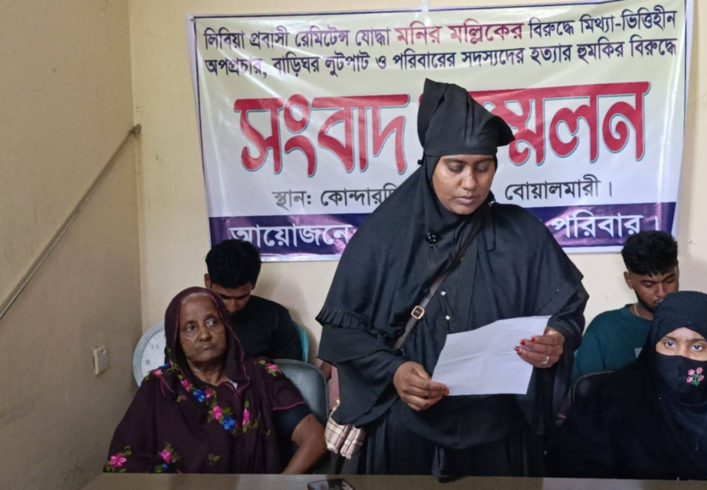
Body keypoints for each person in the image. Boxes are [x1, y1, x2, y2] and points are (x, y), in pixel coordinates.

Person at [317, 79, 587, 476]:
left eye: (483, 167)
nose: (470, 183)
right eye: (455, 167)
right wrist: (395, 371)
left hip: (499, 433)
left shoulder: (522, 235)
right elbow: (343, 332)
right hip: (405, 432)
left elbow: (566, 309)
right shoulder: (385, 236)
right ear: (430, 164)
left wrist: (557, 338)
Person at [548, 291, 707, 489]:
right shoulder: (614, 396)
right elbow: (572, 472)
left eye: (698, 347)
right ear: (653, 343)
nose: (681, 358)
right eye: (669, 343)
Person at [104, 287, 326, 473]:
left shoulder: (260, 376)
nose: (204, 335)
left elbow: (315, 439)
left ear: (226, 328)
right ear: (176, 339)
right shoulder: (159, 387)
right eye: (190, 328)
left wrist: (279, 487)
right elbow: (122, 460)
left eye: (212, 322)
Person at [572, 230, 678, 381]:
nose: (662, 293)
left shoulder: (696, 323)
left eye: (669, 281)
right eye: (649, 284)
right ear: (629, 280)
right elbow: (584, 391)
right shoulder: (605, 330)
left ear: (677, 270)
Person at [205, 239, 302, 361]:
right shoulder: (189, 317)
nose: (232, 307)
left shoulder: (275, 317)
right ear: (208, 281)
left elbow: (292, 369)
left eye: (241, 297)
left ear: (253, 284)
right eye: (223, 297)